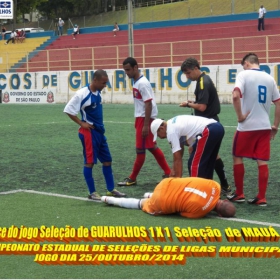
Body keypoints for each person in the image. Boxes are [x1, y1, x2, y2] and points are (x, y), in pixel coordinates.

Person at [64, 70, 126, 200]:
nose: (105, 85)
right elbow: (68, 109)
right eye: (103, 83)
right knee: (89, 162)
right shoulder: (82, 94)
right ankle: (92, 192)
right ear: (95, 80)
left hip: (99, 132)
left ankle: (110, 189)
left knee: (107, 160)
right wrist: (81, 123)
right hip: (89, 133)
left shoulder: (97, 92)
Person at [227, 53, 280, 206]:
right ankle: (261, 197)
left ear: (247, 63)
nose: (242, 67)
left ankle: (239, 193)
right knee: (262, 161)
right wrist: (275, 125)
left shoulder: (243, 75)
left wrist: (240, 116)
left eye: (243, 64)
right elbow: (278, 103)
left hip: (247, 126)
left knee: (237, 156)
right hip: (264, 126)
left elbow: (236, 95)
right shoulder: (269, 78)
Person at [179, 57, 231, 194]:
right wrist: (193, 101)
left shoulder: (202, 82)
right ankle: (224, 185)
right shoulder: (203, 80)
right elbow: (202, 103)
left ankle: (199, 186)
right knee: (213, 155)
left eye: (188, 73)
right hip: (212, 123)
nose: (187, 76)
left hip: (207, 125)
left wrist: (188, 104)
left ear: (196, 68)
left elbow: (202, 107)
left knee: (195, 152)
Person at [118, 57, 171, 186]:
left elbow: (148, 104)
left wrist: (146, 125)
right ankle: (168, 172)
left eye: (128, 70)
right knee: (152, 147)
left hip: (145, 119)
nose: (127, 73)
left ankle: (133, 178)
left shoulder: (142, 83)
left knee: (140, 150)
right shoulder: (137, 82)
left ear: (136, 67)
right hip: (141, 118)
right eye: (125, 70)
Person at [102, 177, 236, 219]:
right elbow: (180, 212)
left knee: (181, 190)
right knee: (141, 204)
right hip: (162, 199)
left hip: (166, 183)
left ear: (225, 200)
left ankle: (149, 194)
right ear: (219, 213)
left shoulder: (215, 185)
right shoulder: (200, 212)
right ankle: (110, 200)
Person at [151, 115, 224, 179]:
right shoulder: (171, 123)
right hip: (217, 127)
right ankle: (209, 189)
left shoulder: (170, 132)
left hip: (209, 129)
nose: (159, 137)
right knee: (209, 162)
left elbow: (178, 158)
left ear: (161, 128)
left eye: (158, 134)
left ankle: (195, 190)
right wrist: (174, 169)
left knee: (193, 164)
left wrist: (177, 180)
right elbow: (180, 149)